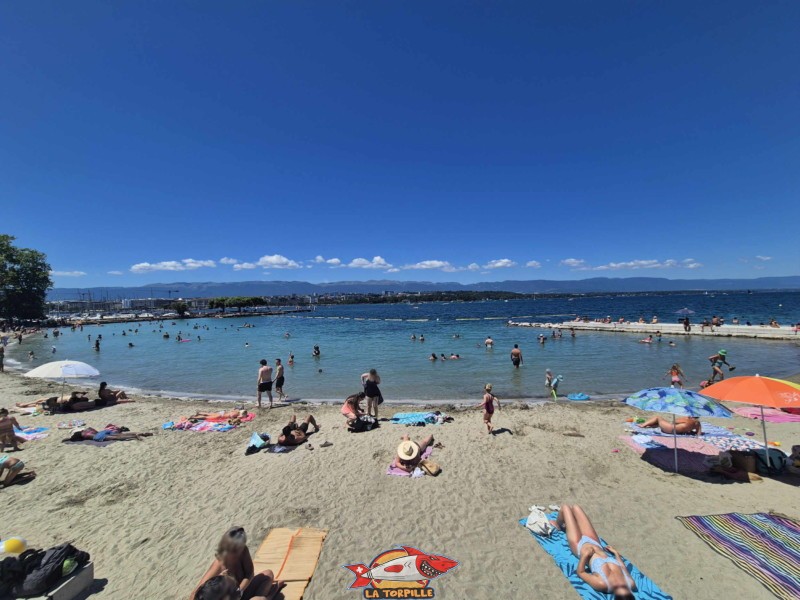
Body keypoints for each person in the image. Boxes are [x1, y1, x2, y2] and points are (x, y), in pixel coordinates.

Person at [551, 505, 636, 598]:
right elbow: (623, 567)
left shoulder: (602, 584)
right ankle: (569, 524)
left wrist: (585, 556)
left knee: (565, 508)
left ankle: (559, 525)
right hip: (595, 543)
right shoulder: (630, 583)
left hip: (579, 546)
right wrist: (616, 554)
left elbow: (581, 573)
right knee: (576, 508)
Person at [191, 527, 284, 600]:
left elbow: (250, 573)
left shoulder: (243, 551)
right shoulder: (219, 564)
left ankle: (268, 595)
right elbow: (195, 594)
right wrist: (220, 580)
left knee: (268, 575)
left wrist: (240, 591)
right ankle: (271, 594)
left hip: (238, 594)